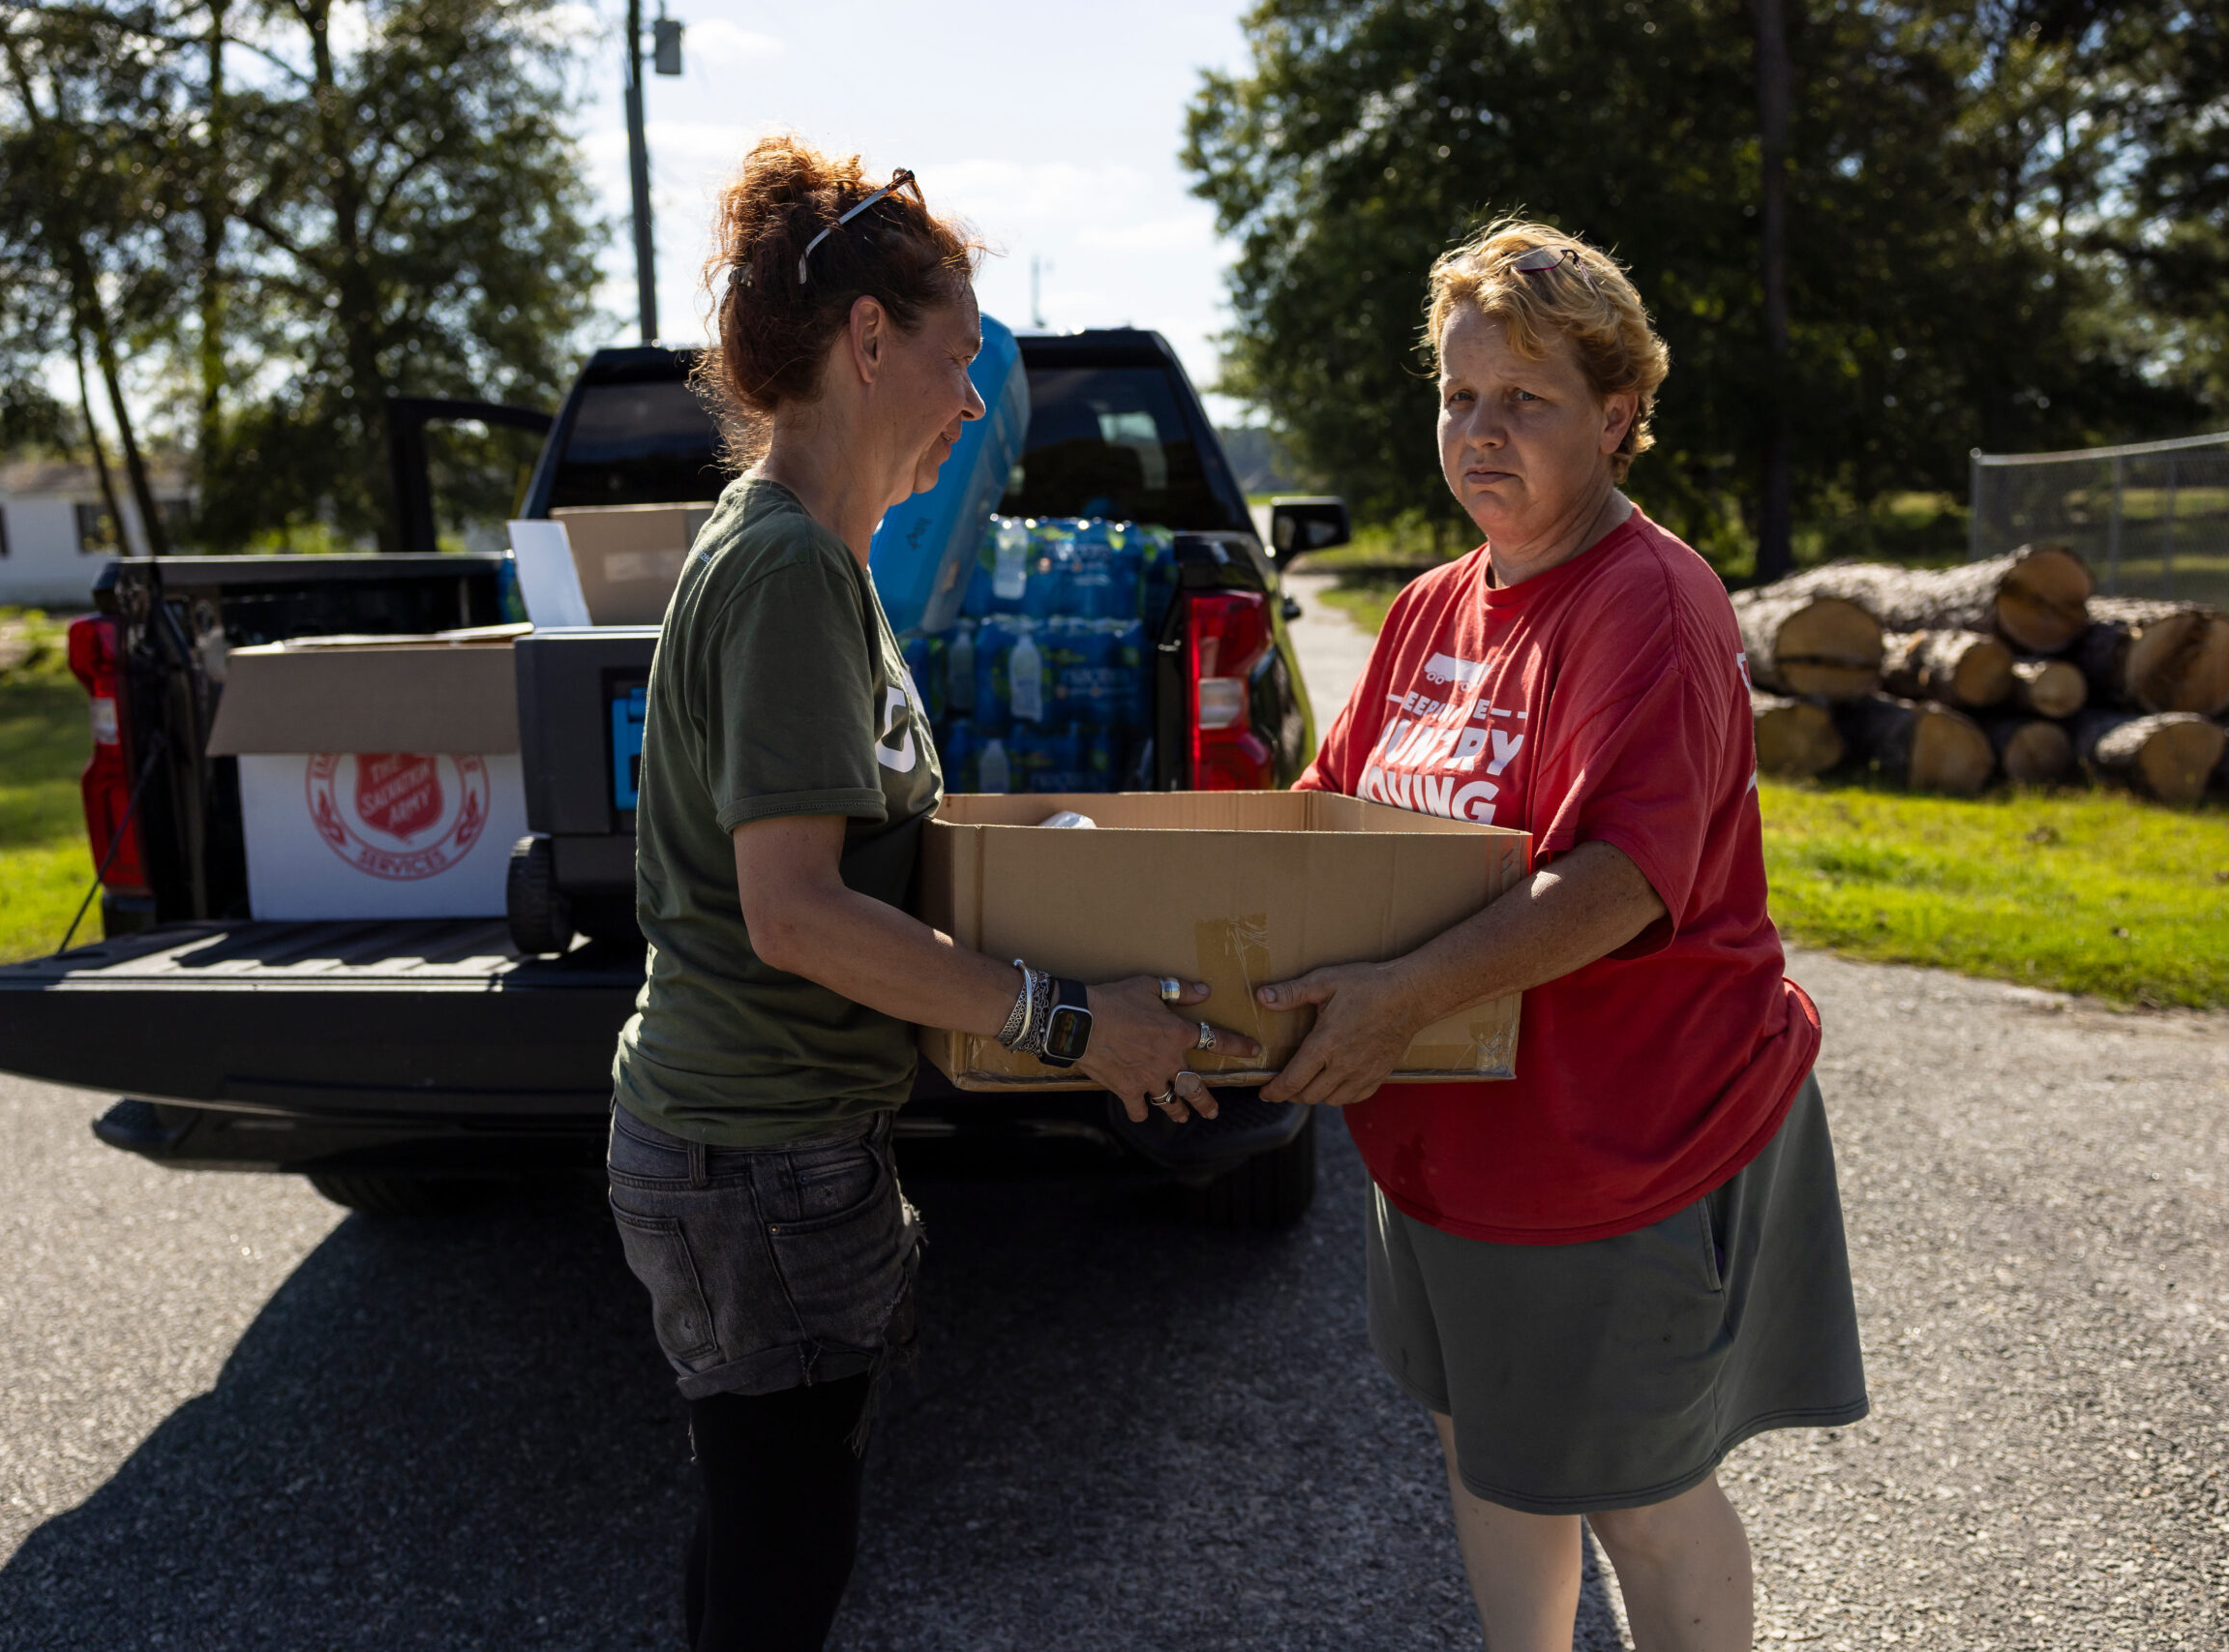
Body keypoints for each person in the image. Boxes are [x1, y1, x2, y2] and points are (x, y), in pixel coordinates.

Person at [606, 136, 1261, 1652]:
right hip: (754, 1153)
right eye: (962, 361)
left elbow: (882, 835)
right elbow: (797, 914)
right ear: (869, 338)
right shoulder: (783, 574)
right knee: (783, 1552)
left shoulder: (818, 564)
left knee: (762, 1524)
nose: (977, 405)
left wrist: (1082, 864)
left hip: (768, 1148)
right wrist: (1068, 1025)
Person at [1252, 220, 1867, 1651]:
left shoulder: (1646, 600)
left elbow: (1620, 882)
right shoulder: (1427, 608)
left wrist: (1398, 994)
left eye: (1525, 400)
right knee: (1496, 1444)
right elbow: (1324, 811)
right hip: (1457, 1137)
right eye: (1461, 395)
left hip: (1622, 1139)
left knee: (1640, 1495)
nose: (1481, 430)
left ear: (1616, 415)